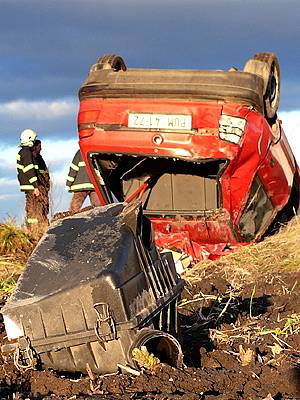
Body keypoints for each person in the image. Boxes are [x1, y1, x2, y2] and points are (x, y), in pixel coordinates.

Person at [16, 129, 49, 235]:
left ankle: (34, 229)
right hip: (32, 186)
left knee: (33, 208)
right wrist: (36, 186)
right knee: (36, 208)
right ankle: (36, 230)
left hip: (29, 185)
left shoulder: (23, 152)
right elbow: (29, 170)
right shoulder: (26, 152)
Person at [32, 139, 51, 222]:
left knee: (45, 207)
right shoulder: (33, 158)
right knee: (40, 206)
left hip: (44, 186)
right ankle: (40, 225)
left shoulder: (39, 158)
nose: (41, 148)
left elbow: (45, 172)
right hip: (39, 186)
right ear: (35, 147)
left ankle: (44, 223)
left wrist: (47, 183)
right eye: (39, 146)